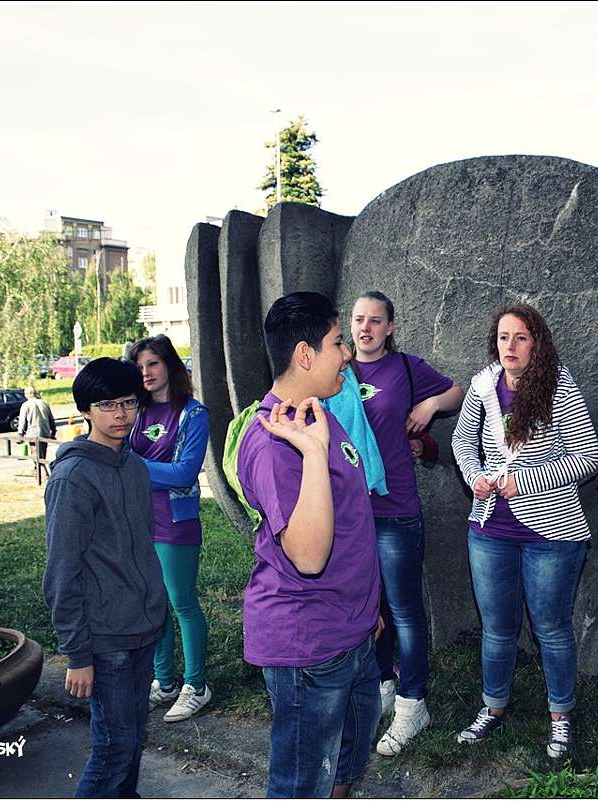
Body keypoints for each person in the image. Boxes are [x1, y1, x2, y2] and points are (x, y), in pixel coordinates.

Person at [236, 292, 381, 798]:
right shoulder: (274, 441)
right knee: (302, 788)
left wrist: (368, 610)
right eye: (338, 343)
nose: (348, 353)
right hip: (309, 646)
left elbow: (351, 521)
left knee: (342, 774)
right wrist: (315, 456)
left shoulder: (316, 413)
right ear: (304, 354)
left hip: (351, 631)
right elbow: (309, 556)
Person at [450, 303, 598, 759]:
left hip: (552, 532)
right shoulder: (483, 385)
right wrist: (474, 475)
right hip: (490, 526)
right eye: (503, 337)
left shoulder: (559, 386)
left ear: (537, 343)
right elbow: (461, 440)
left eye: (520, 337)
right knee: (497, 627)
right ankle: (492, 707)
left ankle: (560, 718)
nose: (510, 346)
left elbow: (587, 457)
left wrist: (528, 480)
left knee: (550, 627)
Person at [42, 357, 168, 798]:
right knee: (114, 748)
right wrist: (78, 655)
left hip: (144, 628)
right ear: (86, 410)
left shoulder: (134, 467)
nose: (120, 415)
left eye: (128, 403)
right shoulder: (73, 478)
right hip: (105, 637)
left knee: (133, 739)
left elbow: (142, 547)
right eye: (107, 405)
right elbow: (62, 572)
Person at [349, 290, 464, 756]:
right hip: (351, 514)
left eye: (375, 320)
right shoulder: (339, 370)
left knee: (403, 609)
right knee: (367, 608)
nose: (366, 328)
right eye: (359, 319)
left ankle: (413, 702)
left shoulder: (405, 368)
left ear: (390, 327)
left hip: (396, 509)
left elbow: (457, 391)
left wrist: (429, 406)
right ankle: (382, 684)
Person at [127, 335, 212, 723]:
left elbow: (184, 473)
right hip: (140, 519)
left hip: (176, 522)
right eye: (140, 366)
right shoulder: (136, 411)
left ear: (170, 366)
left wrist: (132, 466)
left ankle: (196, 686)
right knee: (154, 603)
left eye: (153, 364)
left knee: (182, 602)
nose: (146, 372)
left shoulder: (193, 414)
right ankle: (163, 682)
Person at [17, 385, 57, 460]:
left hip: (32, 434)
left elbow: (22, 421)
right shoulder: (44, 403)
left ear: (27, 394)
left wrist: (20, 434)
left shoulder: (25, 405)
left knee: (36, 456)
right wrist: (53, 431)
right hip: (44, 433)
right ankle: (40, 466)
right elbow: (51, 419)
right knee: (43, 455)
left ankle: (40, 467)